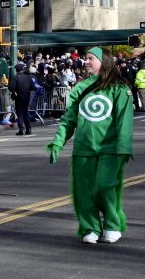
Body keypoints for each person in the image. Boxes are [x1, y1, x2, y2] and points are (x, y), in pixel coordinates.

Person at [47, 47, 135, 244]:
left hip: (110, 150)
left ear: (103, 62)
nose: (85, 62)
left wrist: (124, 147)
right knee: (84, 192)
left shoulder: (119, 88)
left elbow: (124, 121)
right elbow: (69, 119)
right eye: (85, 59)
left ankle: (112, 224)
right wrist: (58, 142)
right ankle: (90, 227)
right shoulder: (80, 88)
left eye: (90, 59)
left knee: (104, 187)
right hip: (83, 149)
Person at [10, 62, 36, 135]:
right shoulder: (28, 77)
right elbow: (33, 87)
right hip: (27, 95)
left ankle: (21, 129)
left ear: (17, 70)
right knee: (25, 112)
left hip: (19, 96)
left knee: (20, 113)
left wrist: (15, 92)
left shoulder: (15, 77)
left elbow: (11, 87)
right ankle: (28, 129)